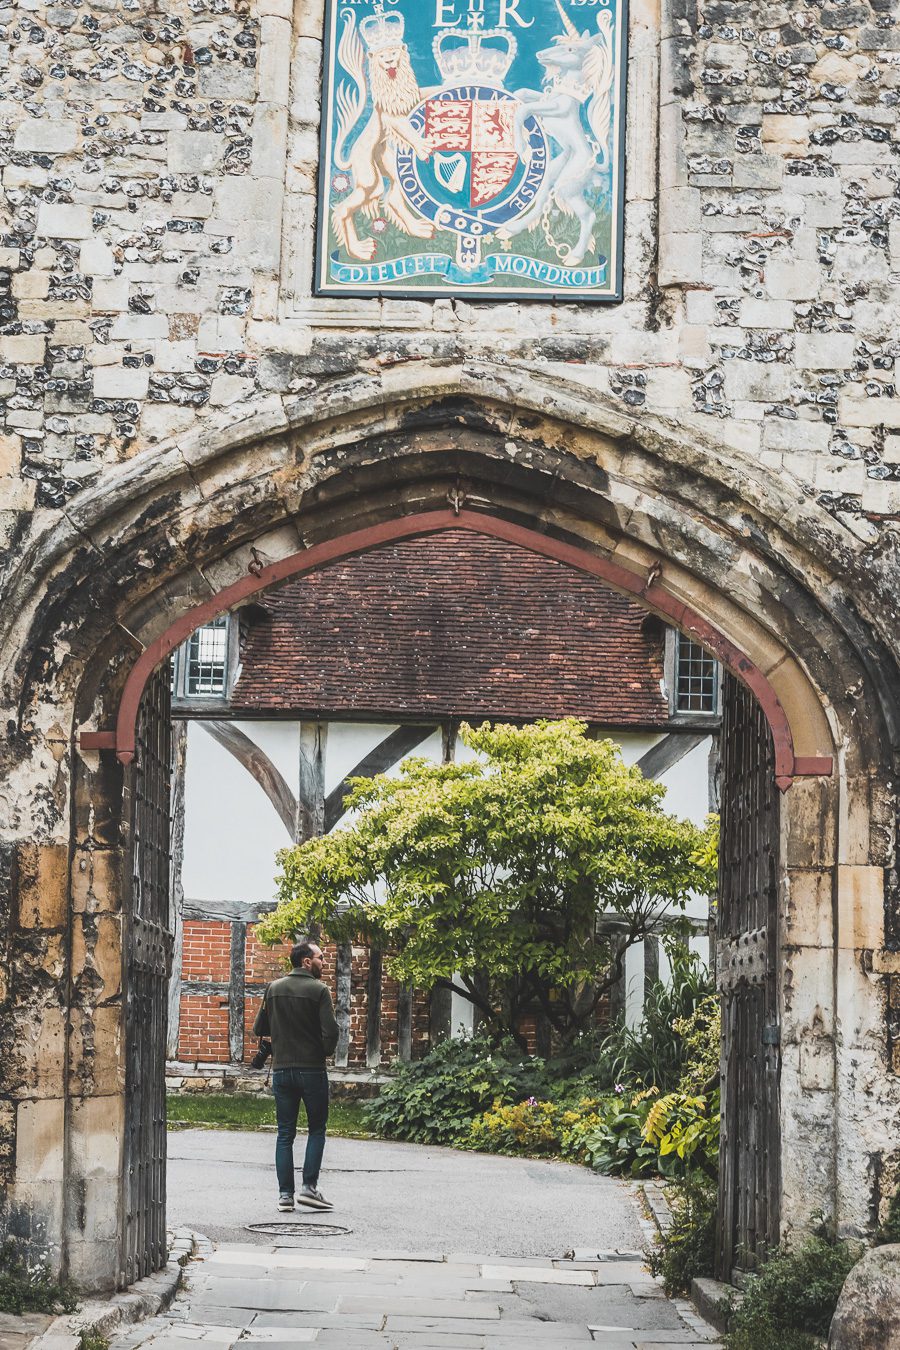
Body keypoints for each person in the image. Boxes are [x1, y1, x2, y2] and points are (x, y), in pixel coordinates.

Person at [253, 940, 339, 1212]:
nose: (323, 963)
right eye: (320, 958)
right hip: (312, 1070)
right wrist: (323, 1051)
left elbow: (259, 1028)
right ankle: (309, 1188)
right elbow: (331, 1032)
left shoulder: (274, 988)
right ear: (306, 961)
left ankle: (285, 1196)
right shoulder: (319, 990)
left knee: (285, 1134)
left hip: (282, 1071)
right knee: (316, 1129)